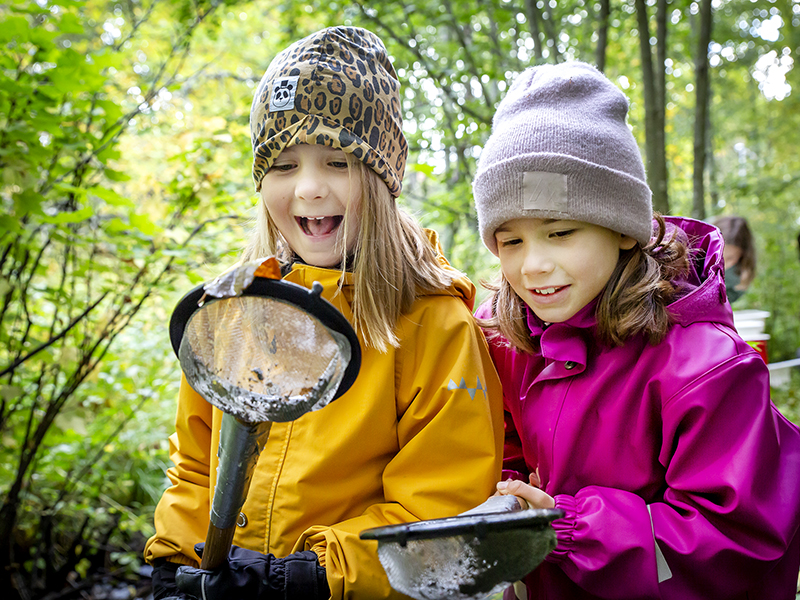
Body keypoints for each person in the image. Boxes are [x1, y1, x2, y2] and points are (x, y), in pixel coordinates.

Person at [144, 26, 503, 600]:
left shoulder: (434, 326)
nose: (309, 188)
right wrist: (174, 560)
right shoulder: (236, 312)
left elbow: (443, 504)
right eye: (283, 166)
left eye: (337, 161)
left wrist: (310, 577)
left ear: (382, 176)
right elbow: (195, 463)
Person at [472, 62, 800, 599]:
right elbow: (498, 450)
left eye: (560, 232)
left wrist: (567, 528)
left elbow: (734, 538)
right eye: (511, 241)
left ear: (623, 230)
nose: (533, 265)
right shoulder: (505, 341)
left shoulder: (708, 368)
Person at [709, 214, 756, 303]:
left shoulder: (740, 274)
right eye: (719, 256)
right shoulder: (693, 250)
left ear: (743, 254)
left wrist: (739, 288)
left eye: (730, 258)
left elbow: (722, 304)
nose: (722, 263)